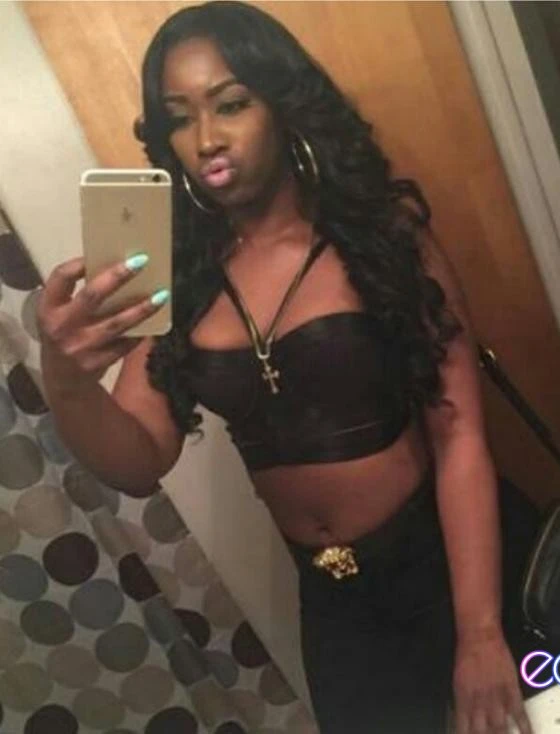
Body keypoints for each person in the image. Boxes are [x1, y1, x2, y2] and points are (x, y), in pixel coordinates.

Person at [37, 2, 534, 732]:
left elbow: (458, 434)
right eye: (179, 118)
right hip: (336, 608)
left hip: (450, 568)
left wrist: (482, 632)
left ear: (282, 103)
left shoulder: (377, 238)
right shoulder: (179, 278)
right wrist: (65, 378)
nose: (206, 138)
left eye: (231, 104)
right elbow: (137, 462)